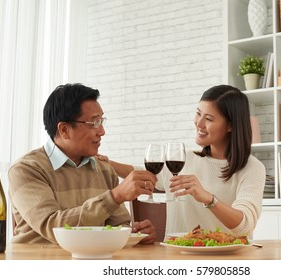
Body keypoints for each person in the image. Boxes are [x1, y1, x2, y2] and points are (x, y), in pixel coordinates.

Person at [101, 84, 266, 238]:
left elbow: (245, 225)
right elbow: (146, 175)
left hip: (226, 258)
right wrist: (108, 164)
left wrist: (208, 198)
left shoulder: (252, 168)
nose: (199, 123)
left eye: (208, 119)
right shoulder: (185, 159)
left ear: (230, 126)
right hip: (176, 254)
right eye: (198, 113)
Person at [8, 83, 157, 244]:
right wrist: (116, 196)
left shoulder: (104, 169)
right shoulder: (26, 169)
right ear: (64, 129)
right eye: (94, 123)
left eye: (101, 121)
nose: (102, 132)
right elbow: (53, 226)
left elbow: (117, 224)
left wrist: (132, 233)